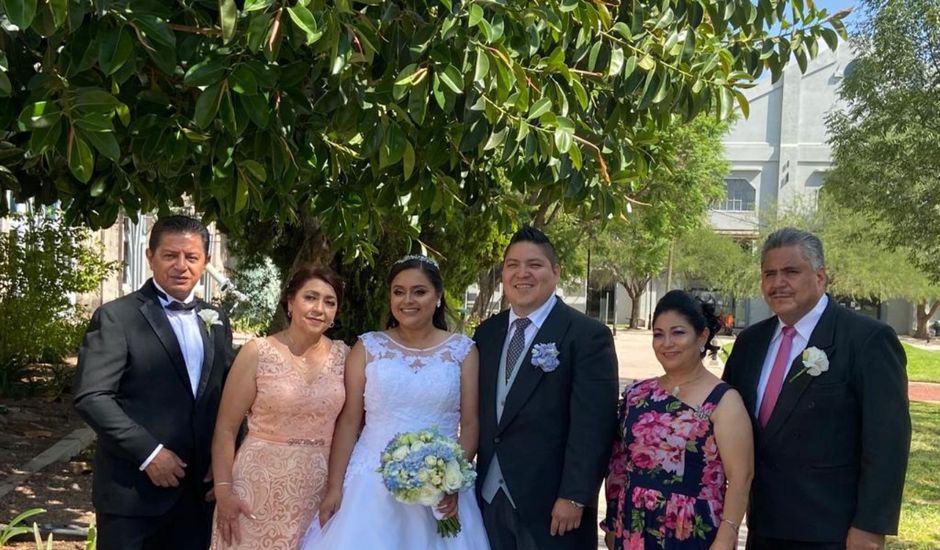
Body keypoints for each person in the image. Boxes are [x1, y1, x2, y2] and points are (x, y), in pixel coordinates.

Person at [722, 227, 911, 550]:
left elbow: (887, 443)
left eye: (791, 271)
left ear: (821, 277)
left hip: (832, 531)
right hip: (761, 527)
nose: (778, 283)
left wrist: (869, 526)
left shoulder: (867, 340)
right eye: (769, 273)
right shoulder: (749, 343)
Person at [300, 255, 490, 549]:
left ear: (438, 297)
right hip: (369, 486)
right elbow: (350, 421)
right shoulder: (368, 347)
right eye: (398, 291)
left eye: (419, 291)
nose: (407, 300)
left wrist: (449, 481)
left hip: (440, 488)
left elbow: (470, 423)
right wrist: (335, 486)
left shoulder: (463, 351)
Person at [73, 215, 234, 550]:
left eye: (191, 257)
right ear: (150, 256)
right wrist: (149, 453)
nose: (181, 266)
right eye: (170, 255)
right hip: (132, 495)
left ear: (204, 262)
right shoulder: (118, 317)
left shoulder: (217, 321)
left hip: (197, 497)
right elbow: (92, 396)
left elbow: (226, 398)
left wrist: (222, 466)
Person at [474, 227, 619, 550]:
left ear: (555, 272)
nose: (522, 273)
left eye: (534, 265)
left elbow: (594, 426)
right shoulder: (486, 334)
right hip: (489, 498)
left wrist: (575, 496)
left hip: (552, 506)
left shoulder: (586, 336)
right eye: (512, 265)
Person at [209, 266, 349, 549]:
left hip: (319, 487)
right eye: (310, 297)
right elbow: (226, 428)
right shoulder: (257, 352)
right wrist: (224, 491)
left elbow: (353, 424)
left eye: (329, 302)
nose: (319, 308)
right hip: (257, 486)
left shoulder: (345, 355)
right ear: (290, 302)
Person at [602, 290, 753, 550]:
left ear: (702, 336)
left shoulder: (723, 401)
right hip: (634, 524)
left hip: (692, 528)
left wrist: (727, 535)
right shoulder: (637, 395)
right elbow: (618, 464)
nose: (667, 343)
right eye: (658, 334)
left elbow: (741, 476)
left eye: (678, 333)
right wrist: (613, 524)